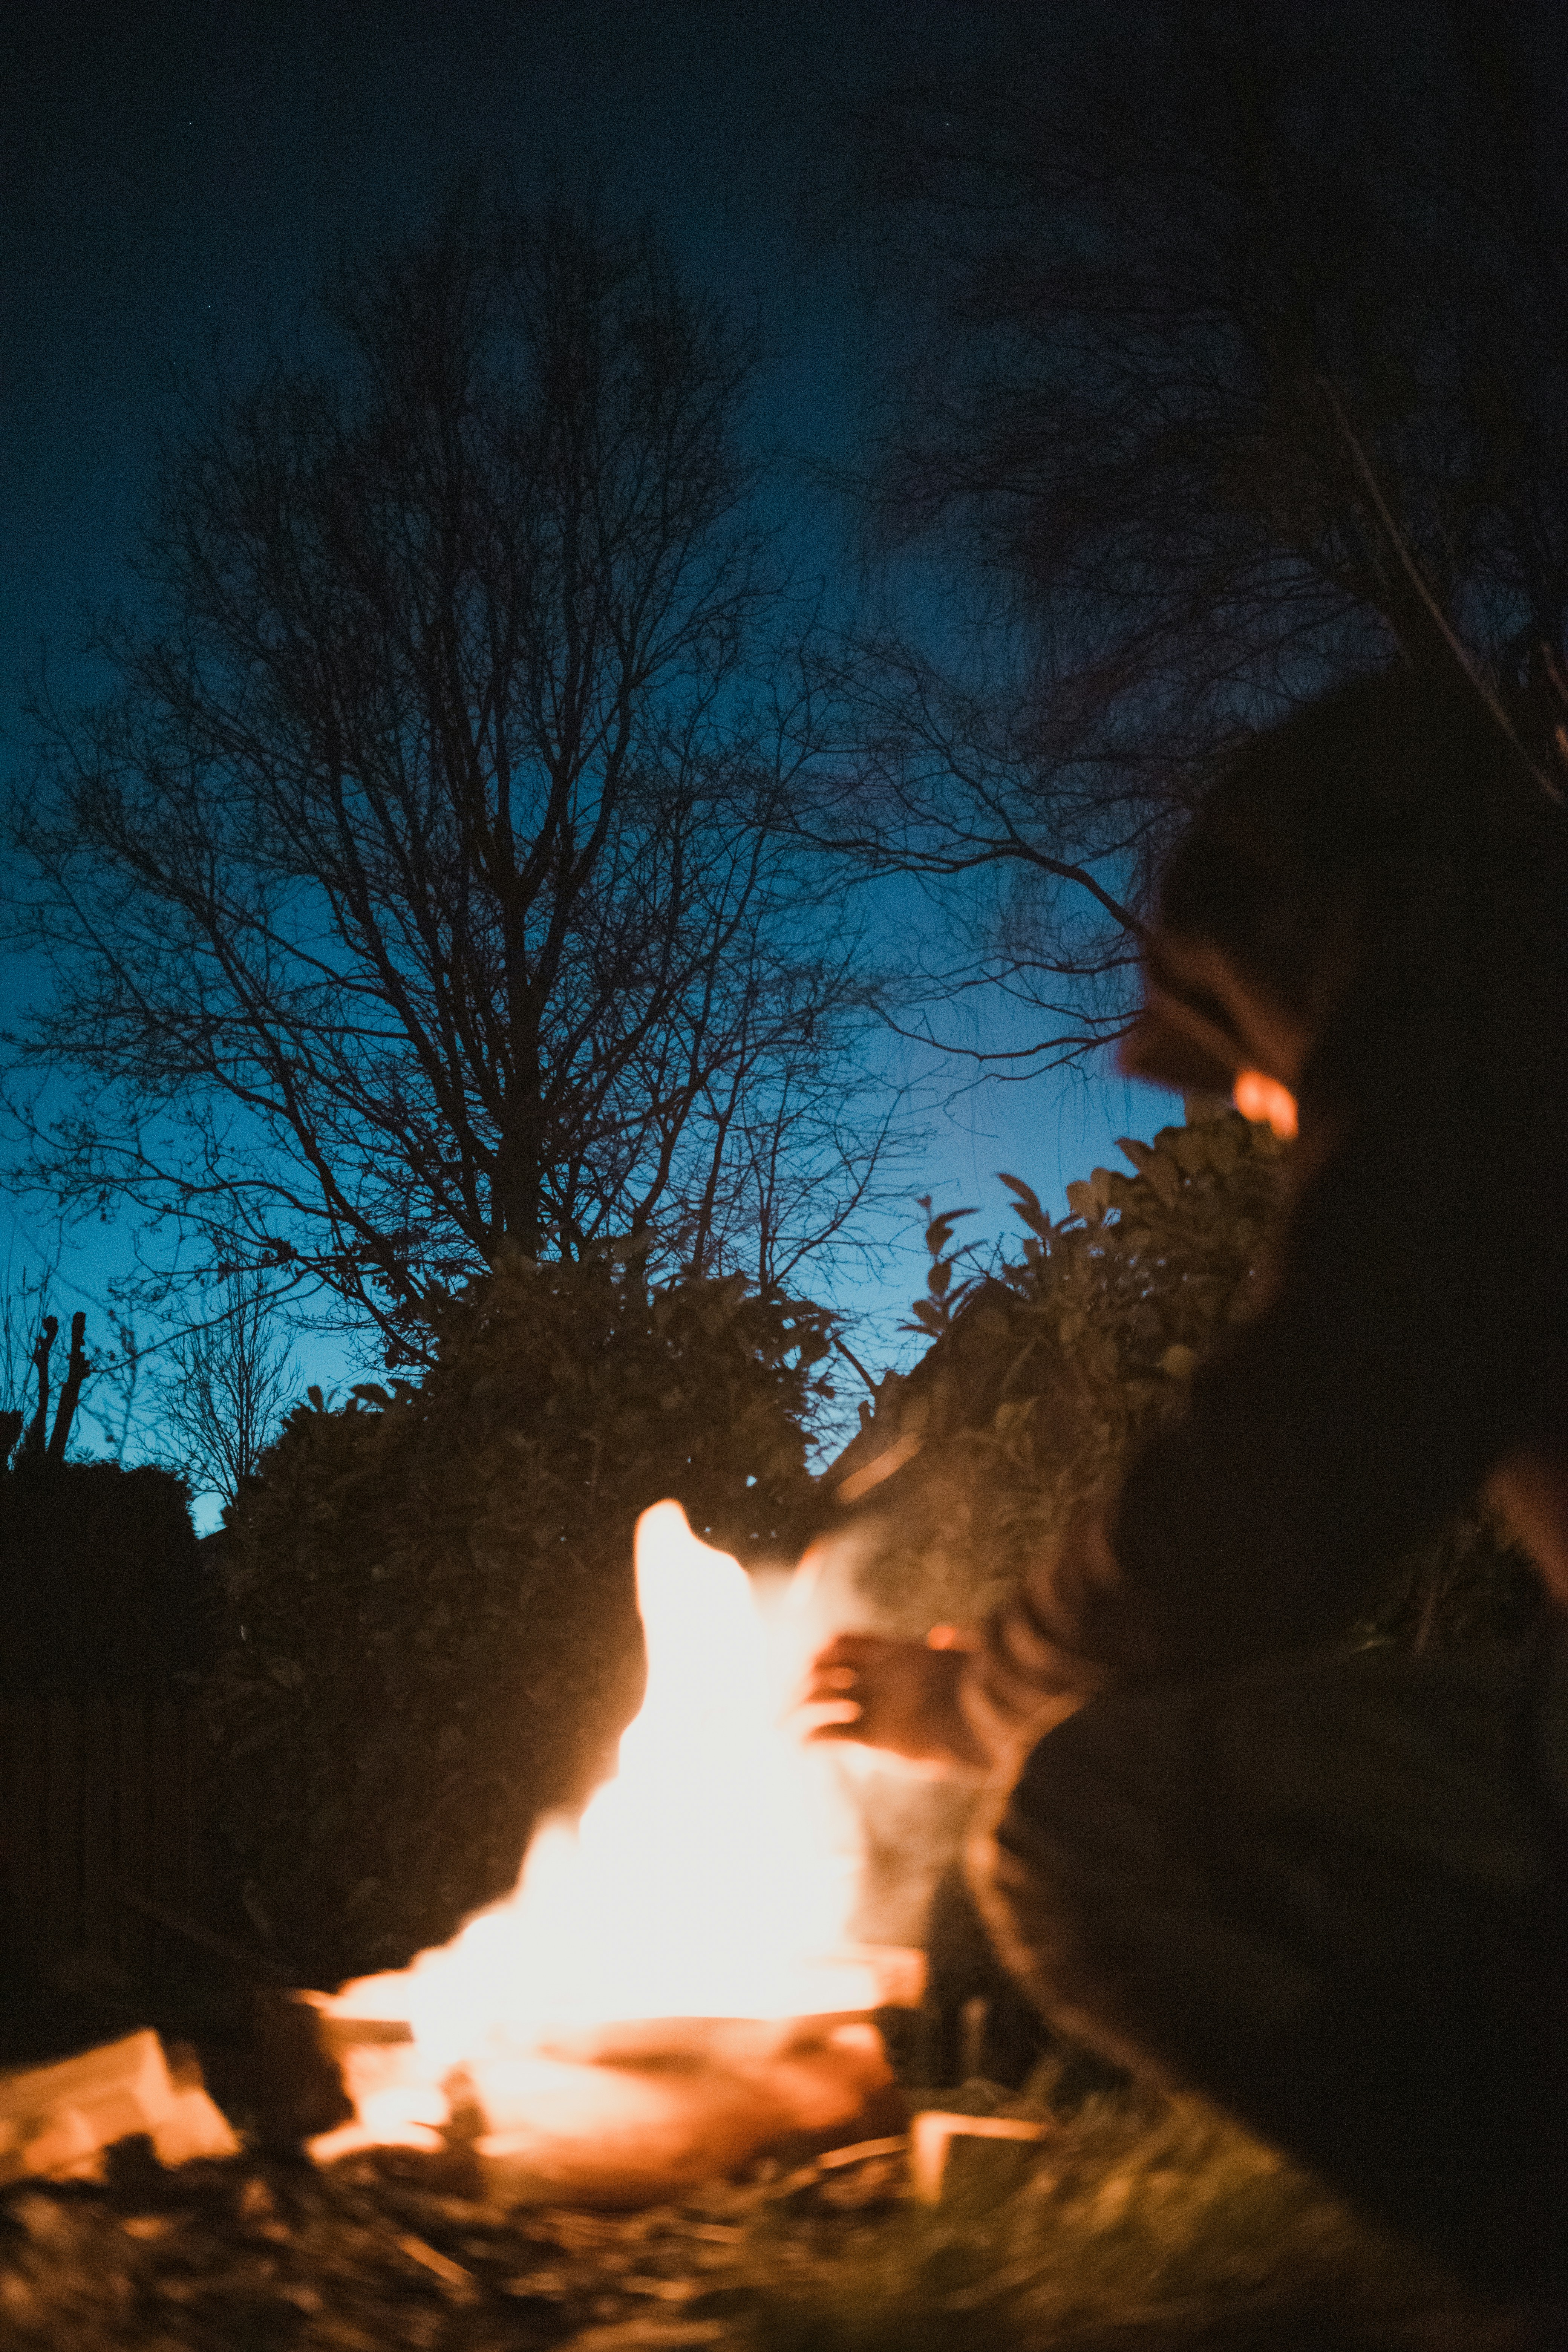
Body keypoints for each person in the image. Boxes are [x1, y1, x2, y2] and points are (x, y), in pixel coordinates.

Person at [803, 666, 1568, 2289]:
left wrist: (966, 1705)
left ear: (1302, 950)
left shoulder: (1478, 1018)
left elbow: (1288, 1473)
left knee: (1084, 1819)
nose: (1266, 1110)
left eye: (1246, 1060)